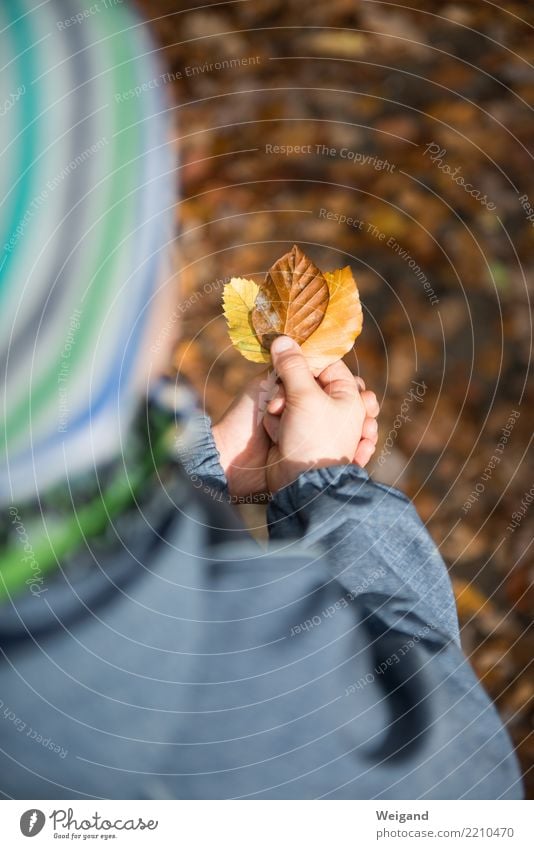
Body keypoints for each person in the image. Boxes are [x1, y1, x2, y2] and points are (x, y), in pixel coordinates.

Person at [0, 1, 522, 800]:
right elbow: (462, 789)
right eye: (149, 242)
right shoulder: (188, 702)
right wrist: (324, 485)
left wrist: (204, 467)